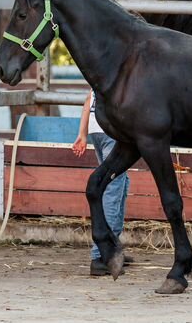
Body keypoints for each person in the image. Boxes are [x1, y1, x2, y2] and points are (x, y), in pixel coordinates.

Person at [72, 90, 132, 276]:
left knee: (120, 182)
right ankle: (102, 256)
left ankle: (114, 247)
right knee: (112, 188)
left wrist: (82, 134)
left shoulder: (101, 70)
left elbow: (88, 101)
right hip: (111, 131)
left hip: (95, 130)